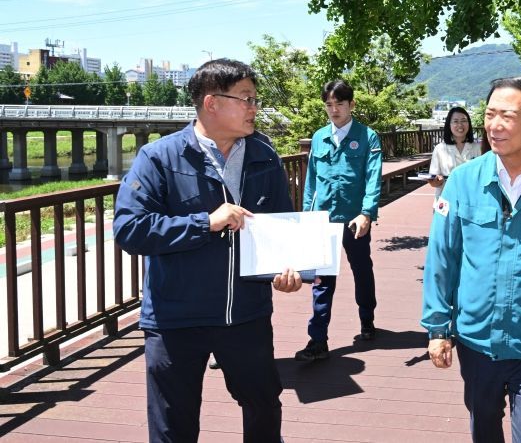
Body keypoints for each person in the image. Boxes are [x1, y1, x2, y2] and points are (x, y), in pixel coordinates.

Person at [113, 58, 303, 442]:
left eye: (255, 99)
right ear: (211, 102)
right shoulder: (159, 157)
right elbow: (129, 229)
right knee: (173, 426)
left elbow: (280, 227)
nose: (254, 108)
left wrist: (288, 269)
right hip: (175, 320)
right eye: (246, 98)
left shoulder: (264, 155)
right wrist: (206, 222)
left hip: (246, 314)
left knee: (264, 409)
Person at [422, 77, 521, 443]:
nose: (494, 125)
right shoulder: (463, 181)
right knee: (484, 429)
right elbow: (442, 257)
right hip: (477, 341)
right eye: (489, 114)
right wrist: (438, 328)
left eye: (507, 116)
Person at [295, 79, 383, 361]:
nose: (334, 110)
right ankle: (318, 339)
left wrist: (367, 212)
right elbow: (311, 181)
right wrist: (307, 216)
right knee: (322, 280)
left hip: (354, 219)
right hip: (323, 219)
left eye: (340, 104)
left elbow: (373, 177)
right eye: (329, 105)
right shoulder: (319, 137)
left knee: (361, 270)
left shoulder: (367, 136)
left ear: (351, 104)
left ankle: (367, 318)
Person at [427, 106, 481, 198]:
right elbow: (434, 180)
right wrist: (436, 181)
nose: (460, 125)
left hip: (471, 199)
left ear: (469, 123)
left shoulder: (477, 148)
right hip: (446, 199)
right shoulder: (440, 148)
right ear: (449, 125)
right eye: (455, 121)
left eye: (464, 121)